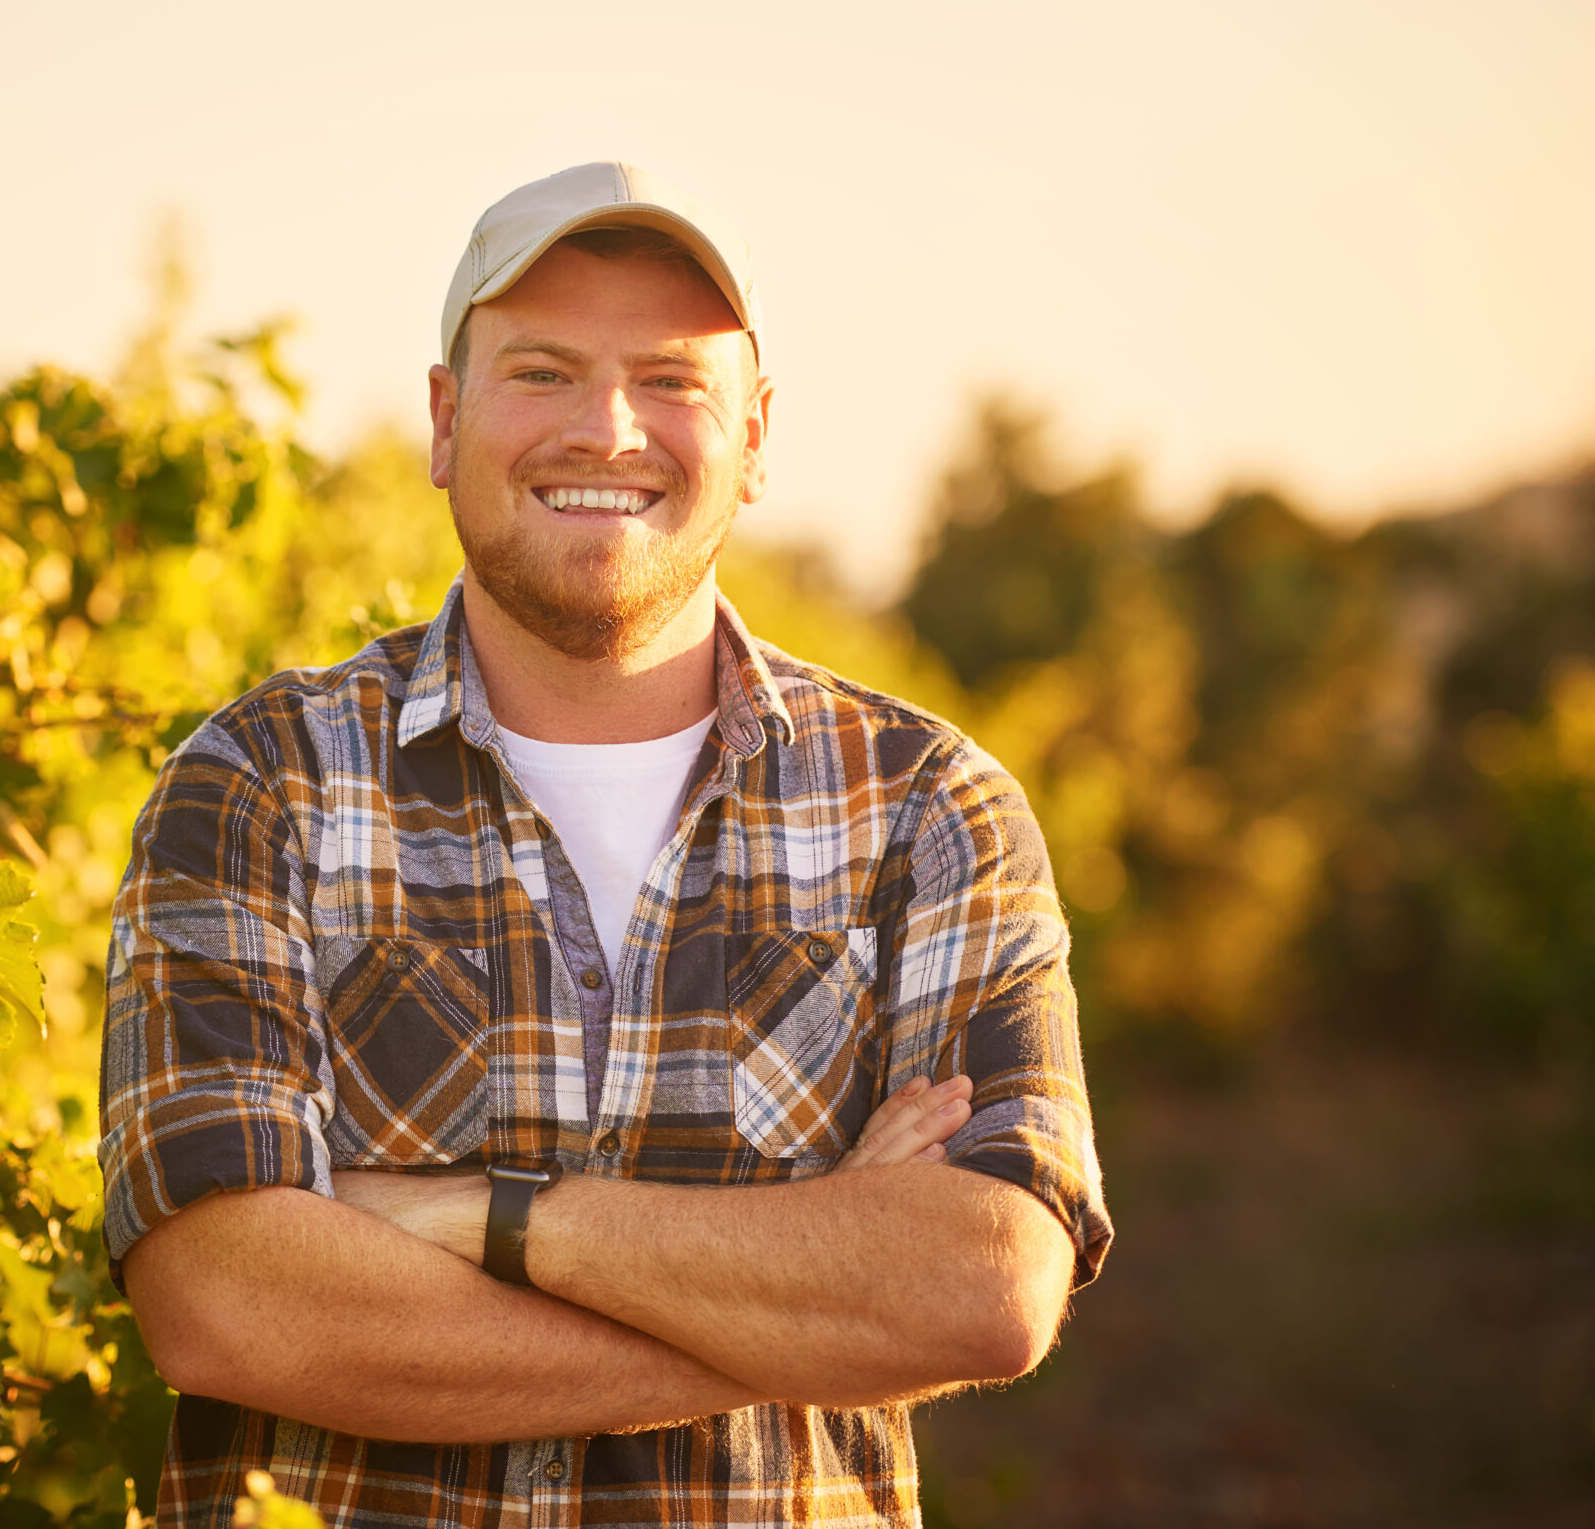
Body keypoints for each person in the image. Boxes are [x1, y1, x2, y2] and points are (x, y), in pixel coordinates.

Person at [99, 161, 1112, 1527]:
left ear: (755, 438)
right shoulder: (258, 786)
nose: (608, 428)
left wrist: (486, 1219)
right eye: (545, 371)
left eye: (673, 381)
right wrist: (797, 1313)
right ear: (447, 422)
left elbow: (982, 1291)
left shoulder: (927, 809)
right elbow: (226, 1309)